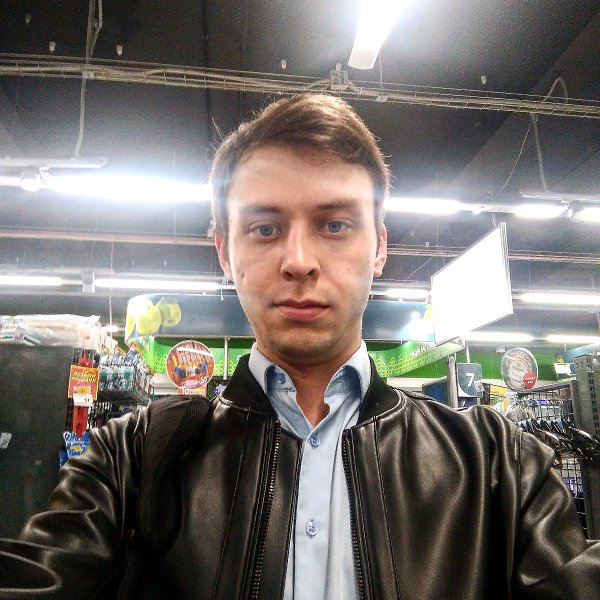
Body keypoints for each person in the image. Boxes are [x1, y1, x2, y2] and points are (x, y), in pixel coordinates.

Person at [1, 93, 599, 599]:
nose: (299, 261)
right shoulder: (129, 460)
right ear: (225, 251)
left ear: (380, 247)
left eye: (335, 225)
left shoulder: (498, 465)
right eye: (265, 228)